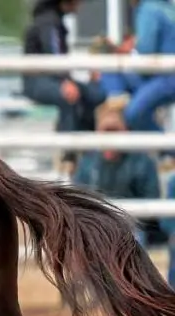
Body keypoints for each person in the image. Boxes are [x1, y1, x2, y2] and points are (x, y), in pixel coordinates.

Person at [22, 0, 106, 172]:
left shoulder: (54, 20)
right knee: (69, 96)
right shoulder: (48, 21)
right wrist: (64, 81)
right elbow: (53, 54)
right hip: (37, 81)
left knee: (96, 94)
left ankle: (87, 147)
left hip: (54, 78)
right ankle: (69, 156)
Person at [72, 103, 161, 248]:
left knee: (133, 245)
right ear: (97, 133)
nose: (110, 138)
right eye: (106, 132)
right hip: (95, 228)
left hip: (131, 227)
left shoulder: (142, 161)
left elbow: (152, 210)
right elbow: (77, 204)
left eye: (114, 131)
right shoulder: (87, 163)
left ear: (125, 131)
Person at [99, 0, 175, 139]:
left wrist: (128, 50)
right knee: (111, 70)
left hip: (165, 76)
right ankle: (118, 102)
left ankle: (117, 105)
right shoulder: (167, 7)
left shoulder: (148, 9)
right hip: (162, 74)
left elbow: (146, 52)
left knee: (133, 114)